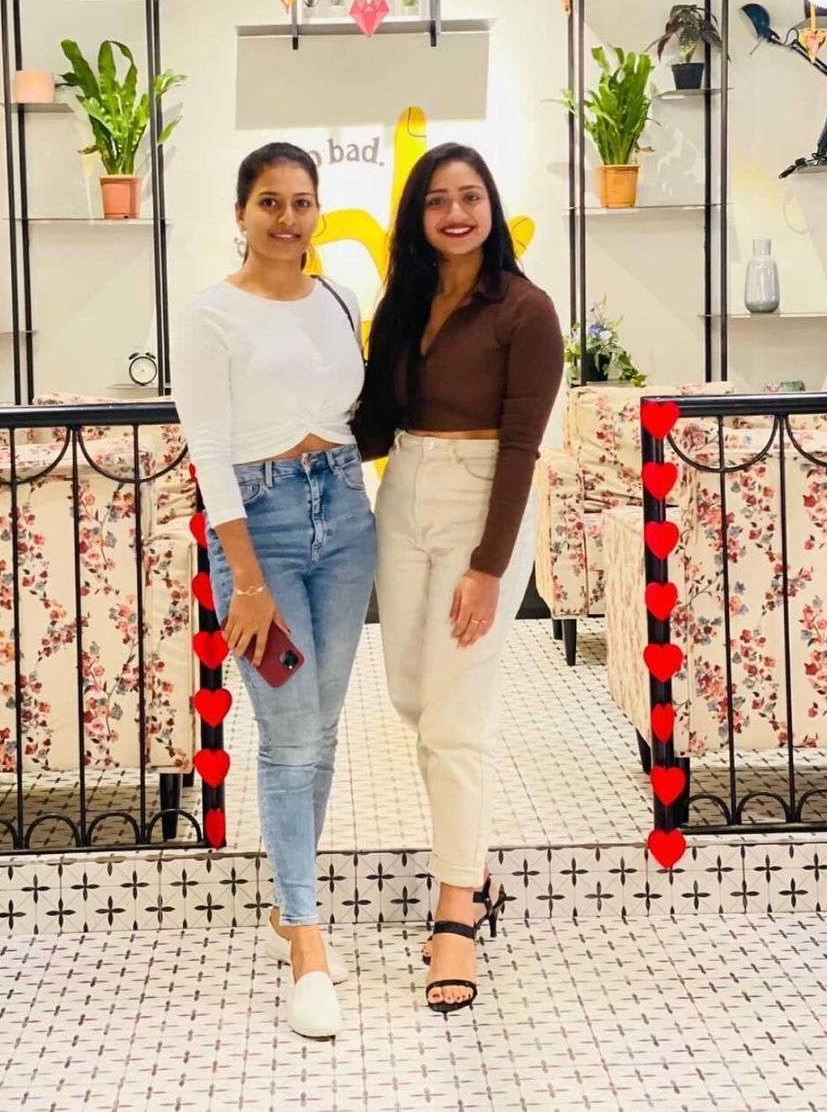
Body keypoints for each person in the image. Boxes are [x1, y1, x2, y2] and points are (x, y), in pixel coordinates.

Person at [171, 142, 376, 1041]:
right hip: (262, 528)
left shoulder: (340, 300)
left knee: (320, 729)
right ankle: (307, 939)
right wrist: (246, 578)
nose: (287, 218)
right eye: (269, 201)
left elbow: (353, 415)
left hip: (347, 516)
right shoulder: (211, 313)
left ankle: (290, 911)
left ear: (317, 209)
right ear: (241, 212)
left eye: (300, 201)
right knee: (289, 735)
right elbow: (210, 452)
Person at [354, 143, 563, 1016]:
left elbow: (521, 449)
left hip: (484, 501)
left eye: (470, 196)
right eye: (438, 199)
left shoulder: (526, 309)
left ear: (492, 206)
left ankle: (455, 916)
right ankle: (471, 867)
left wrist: (488, 565)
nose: (455, 213)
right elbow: (374, 422)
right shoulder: (404, 302)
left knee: (455, 715)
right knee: (412, 693)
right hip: (404, 490)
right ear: (418, 215)